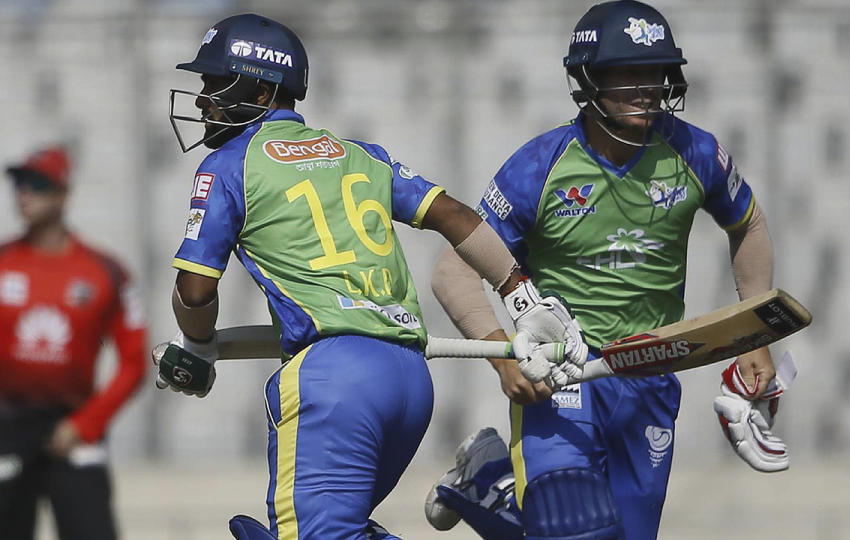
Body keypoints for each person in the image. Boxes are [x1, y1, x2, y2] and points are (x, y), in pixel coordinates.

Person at [154, 13, 587, 540]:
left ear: (263, 89)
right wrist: (521, 294)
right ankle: (486, 492)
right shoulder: (358, 153)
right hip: (409, 380)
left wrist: (197, 346)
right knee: (341, 530)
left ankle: (490, 486)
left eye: (215, 84)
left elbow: (195, 290)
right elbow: (454, 215)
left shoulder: (228, 165)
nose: (203, 100)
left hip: (335, 383)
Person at [427, 2, 785, 539]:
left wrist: (755, 336)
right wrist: (504, 360)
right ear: (587, 79)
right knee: (571, 528)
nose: (647, 88)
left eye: (657, 73)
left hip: (651, 373)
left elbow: (749, 225)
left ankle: (488, 477)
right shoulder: (539, 166)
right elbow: (453, 269)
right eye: (629, 74)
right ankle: (495, 475)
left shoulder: (696, 151)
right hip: (566, 373)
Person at [0, 146, 148, 540]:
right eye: (18, 183)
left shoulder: (105, 271)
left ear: (64, 193)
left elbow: (134, 362)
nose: (24, 194)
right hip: (7, 426)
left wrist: (84, 424)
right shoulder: (2, 263)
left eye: (37, 184)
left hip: (74, 427)